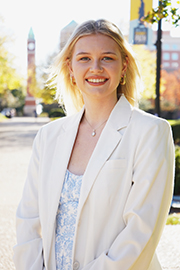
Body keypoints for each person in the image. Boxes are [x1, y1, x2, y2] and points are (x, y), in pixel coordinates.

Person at [13, 19, 174, 270]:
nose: (96, 68)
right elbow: (28, 221)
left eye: (107, 58)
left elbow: (141, 232)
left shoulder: (151, 133)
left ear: (124, 66)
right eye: (84, 58)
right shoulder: (48, 137)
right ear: (70, 69)